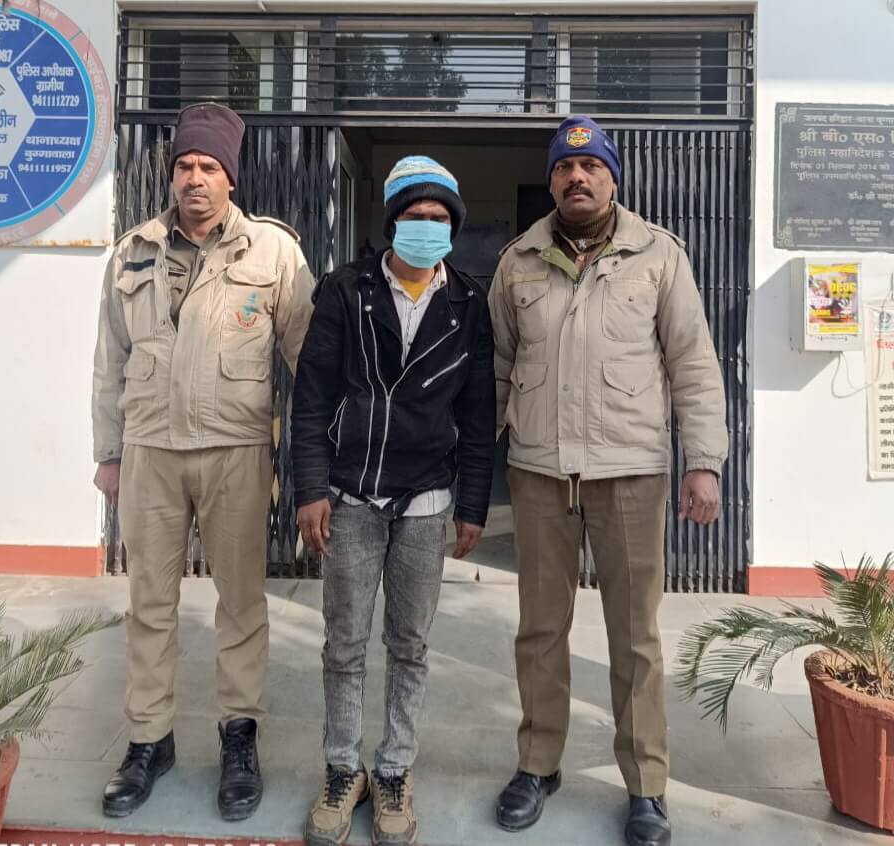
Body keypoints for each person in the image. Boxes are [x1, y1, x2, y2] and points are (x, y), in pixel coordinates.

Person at [488, 116, 729, 846]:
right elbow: (497, 367)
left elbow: (692, 362)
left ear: (613, 178)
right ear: (551, 181)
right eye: (565, 168)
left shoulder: (658, 255)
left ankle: (646, 784)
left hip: (630, 472)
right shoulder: (518, 261)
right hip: (539, 472)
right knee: (539, 630)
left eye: (591, 166)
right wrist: (468, 466)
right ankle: (538, 764)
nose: (577, 178)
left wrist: (703, 461)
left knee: (635, 637)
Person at [92, 101, 315, 821]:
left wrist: (318, 465)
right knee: (148, 604)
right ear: (172, 173)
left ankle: (238, 736)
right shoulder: (131, 252)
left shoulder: (272, 252)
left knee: (242, 605)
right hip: (150, 451)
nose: (195, 177)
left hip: (235, 453)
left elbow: (309, 363)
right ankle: (148, 739)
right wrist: (108, 454)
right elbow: (109, 361)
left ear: (230, 177)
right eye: (185, 165)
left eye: (209, 166)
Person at [291, 156, 495, 846]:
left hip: (426, 500)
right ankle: (342, 767)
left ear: (453, 227)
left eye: (439, 218)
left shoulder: (467, 303)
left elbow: (477, 411)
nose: (427, 227)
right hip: (350, 496)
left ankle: (395, 769)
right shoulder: (346, 291)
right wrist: (310, 488)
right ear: (392, 221)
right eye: (414, 215)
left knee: (409, 645)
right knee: (344, 643)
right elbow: (311, 396)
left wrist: (472, 503)